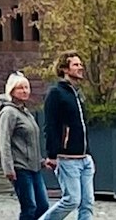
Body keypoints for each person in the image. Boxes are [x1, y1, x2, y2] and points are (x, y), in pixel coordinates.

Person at [40, 52, 93, 220]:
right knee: (72, 200)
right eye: (76, 65)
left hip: (84, 158)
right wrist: (52, 155)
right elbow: (50, 125)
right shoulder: (56, 93)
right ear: (64, 69)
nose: (80, 67)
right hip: (67, 158)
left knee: (87, 203)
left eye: (80, 64)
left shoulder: (77, 94)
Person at [0, 72, 45, 220]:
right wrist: (8, 167)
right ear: (11, 90)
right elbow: (4, 141)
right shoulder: (8, 113)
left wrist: (41, 161)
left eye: (27, 87)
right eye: (20, 88)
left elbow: (31, 141)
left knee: (43, 205)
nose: (25, 91)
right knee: (29, 207)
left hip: (34, 167)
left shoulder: (26, 112)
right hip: (20, 167)